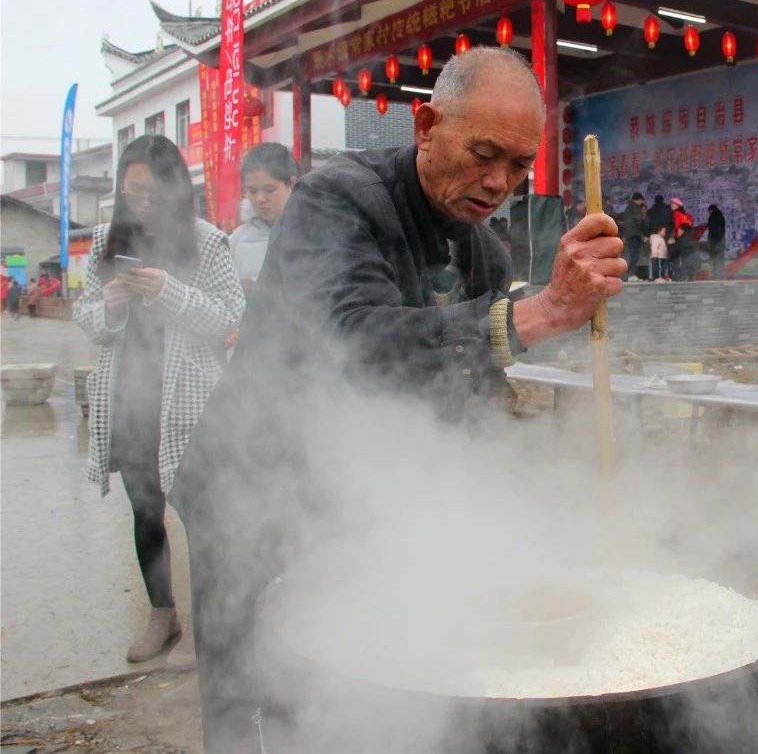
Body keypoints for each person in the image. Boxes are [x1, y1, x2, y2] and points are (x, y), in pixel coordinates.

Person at [171, 47, 626, 751]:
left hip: (354, 496)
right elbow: (353, 341)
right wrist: (535, 315)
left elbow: (462, 407)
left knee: (352, 683)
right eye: (483, 153)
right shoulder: (337, 202)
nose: (498, 181)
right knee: (256, 686)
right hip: (254, 484)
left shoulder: (485, 257)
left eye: (519, 166)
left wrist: (520, 518)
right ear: (424, 124)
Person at [71, 135, 245, 668]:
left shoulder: (207, 242)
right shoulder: (106, 239)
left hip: (189, 403)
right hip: (130, 398)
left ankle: (200, 625)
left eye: (150, 192)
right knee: (145, 513)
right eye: (131, 192)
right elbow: (86, 315)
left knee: (198, 515)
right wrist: (112, 304)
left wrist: (165, 288)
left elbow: (227, 316)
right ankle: (161, 613)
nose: (140, 202)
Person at [228, 142, 299, 291]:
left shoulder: (314, 232)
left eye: (269, 189)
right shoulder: (237, 240)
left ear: (292, 184)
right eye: (252, 191)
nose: (260, 198)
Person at [618, 191, 648, 280]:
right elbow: (639, 221)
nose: (642, 203)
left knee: (632, 254)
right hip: (635, 234)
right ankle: (632, 275)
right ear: (638, 200)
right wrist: (644, 219)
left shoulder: (628, 208)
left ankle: (631, 274)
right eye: (641, 200)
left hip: (630, 235)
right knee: (634, 255)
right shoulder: (636, 208)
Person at [668, 197, 695, 281]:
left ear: (678, 205)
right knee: (686, 258)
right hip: (687, 240)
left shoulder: (677, 214)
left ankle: (679, 276)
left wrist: (674, 238)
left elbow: (678, 228)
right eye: (671, 203)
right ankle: (689, 276)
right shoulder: (686, 216)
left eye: (673, 204)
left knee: (676, 258)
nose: (671, 205)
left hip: (681, 241)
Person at [707, 203, 726, 278]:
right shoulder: (721, 216)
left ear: (711, 210)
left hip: (715, 241)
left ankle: (716, 274)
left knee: (715, 258)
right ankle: (720, 274)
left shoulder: (713, 217)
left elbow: (713, 229)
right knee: (720, 258)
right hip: (721, 240)